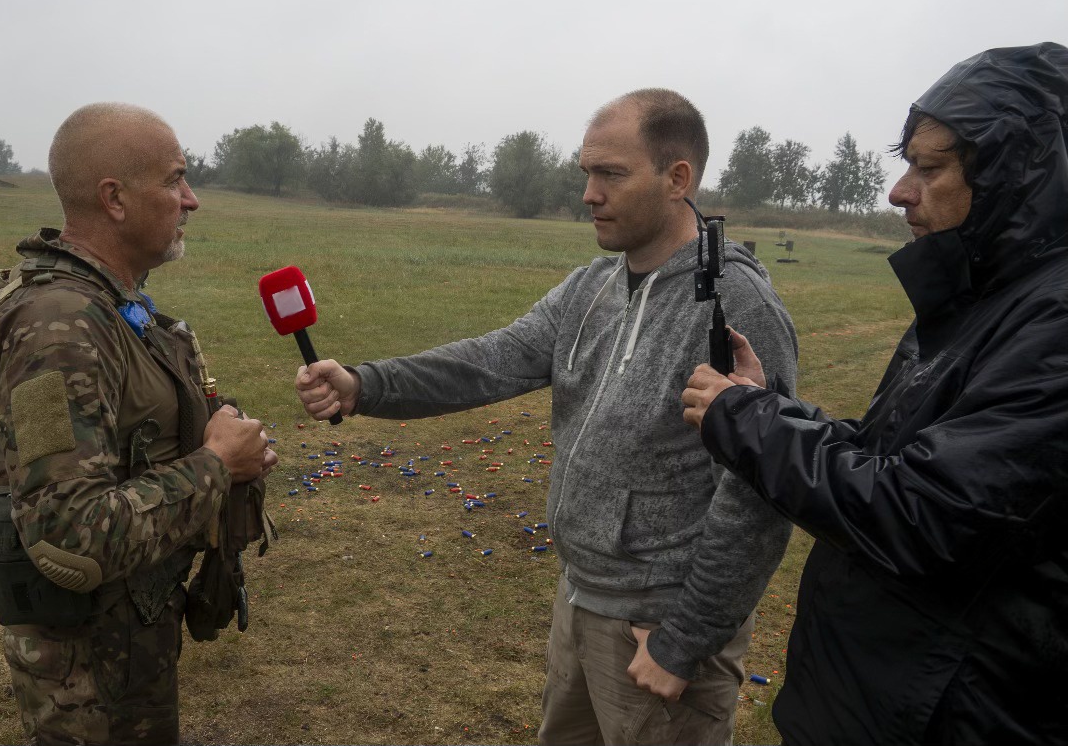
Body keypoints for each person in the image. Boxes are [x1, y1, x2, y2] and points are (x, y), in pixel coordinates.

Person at [297, 89, 799, 745]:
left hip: (663, 627)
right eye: (585, 172)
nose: (589, 192)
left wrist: (685, 639)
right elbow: (493, 359)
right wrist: (366, 383)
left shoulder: (736, 306)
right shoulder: (590, 287)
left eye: (610, 173)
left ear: (678, 179)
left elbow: (762, 496)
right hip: (582, 600)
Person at [681, 42, 1068, 745]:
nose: (898, 190)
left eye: (930, 166)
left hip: (949, 715)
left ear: (1018, 173)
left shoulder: (1053, 323)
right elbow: (892, 458)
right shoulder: (981, 302)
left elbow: (922, 515)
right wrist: (773, 405)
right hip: (877, 697)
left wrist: (747, 419)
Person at [0, 103, 278, 745]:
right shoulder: (61, 326)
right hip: (89, 674)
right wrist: (217, 464)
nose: (191, 200)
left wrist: (210, 436)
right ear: (114, 199)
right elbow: (70, 534)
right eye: (174, 179)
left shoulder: (109, 304)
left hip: (129, 636)